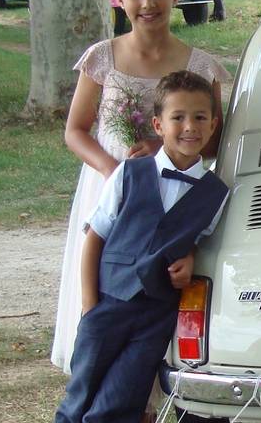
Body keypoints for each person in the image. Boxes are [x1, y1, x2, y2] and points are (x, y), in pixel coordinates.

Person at [52, 0, 231, 376]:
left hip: (168, 197)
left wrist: (160, 153)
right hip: (109, 184)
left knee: (149, 310)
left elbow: (212, 144)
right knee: (106, 295)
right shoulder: (102, 57)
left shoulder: (200, 67)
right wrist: (122, 174)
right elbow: (75, 130)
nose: (147, 3)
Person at [54, 70, 230, 423]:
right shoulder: (128, 174)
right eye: (177, 117)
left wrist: (191, 256)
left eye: (199, 118)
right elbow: (95, 238)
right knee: (81, 397)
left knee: (121, 402)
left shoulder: (217, 194)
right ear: (158, 124)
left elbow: (200, 241)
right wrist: (90, 306)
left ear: (213, 125)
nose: (189, 127)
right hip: (108, 304)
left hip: (156, 316)